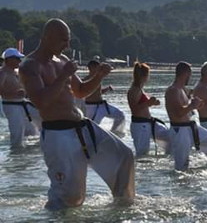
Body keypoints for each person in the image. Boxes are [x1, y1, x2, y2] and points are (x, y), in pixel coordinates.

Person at [18, 18, 135, 210]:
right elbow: (40, 101)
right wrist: (64, 75)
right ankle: (52, 221)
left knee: (124, 156)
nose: (67, 45)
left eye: (68, 40)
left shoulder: (62, 60)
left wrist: (99, 76)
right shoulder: (30, 65)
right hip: (57, 133)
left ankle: (122, 208)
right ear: (47, 37)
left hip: (82, 126)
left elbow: (80, 91)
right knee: (71, 196)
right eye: (63, 40)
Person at [165, 61, 207, 171]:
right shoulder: (173, 90)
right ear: (185, 73)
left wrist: (196, 105)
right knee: (182, 166)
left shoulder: (182, 89)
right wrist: (192, 105)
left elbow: (186, 110)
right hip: (179, 130)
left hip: (190, 127)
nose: (190, 78)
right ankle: (181, 179)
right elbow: (178, 113)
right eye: (190, 75)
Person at [0, 47, 42, 147]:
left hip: (24, 103)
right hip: (11, 105)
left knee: (40, 121)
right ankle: (15, 152)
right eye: (17, 58)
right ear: (9, 59)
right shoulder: (3, 72)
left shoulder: (16, 72)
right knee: (17, 135)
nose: (19, 61)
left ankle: (38, 146)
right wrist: (13, 94)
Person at [127, 61, 169, 156]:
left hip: (149, 123)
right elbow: (134, 109)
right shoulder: (134, 90)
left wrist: (153, 102)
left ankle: (168, 156)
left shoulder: (140, 89)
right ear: (144, 76)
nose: (149, 77)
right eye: (148, 74)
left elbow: (144, 104)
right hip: (140, 124)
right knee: (142, 154)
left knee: (169, 137)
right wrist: (148, 103)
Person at [84, 59, 126, 135]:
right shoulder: (85, 80)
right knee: (91, 128)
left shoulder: (98, 78)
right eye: (98, 67)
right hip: (92, 107)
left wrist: (107, 89)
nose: (99, 69)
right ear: (91, 68)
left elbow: (98, 92)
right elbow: (83, 94)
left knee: (120, 115)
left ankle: (115, 133)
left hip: (102, 105)